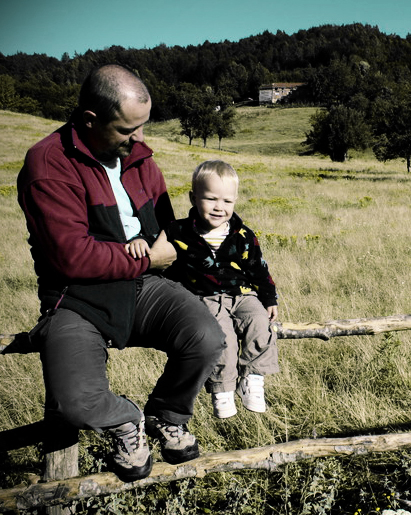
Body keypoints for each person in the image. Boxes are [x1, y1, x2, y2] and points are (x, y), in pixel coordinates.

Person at [17, 64, 225, 482]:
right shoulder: (48, 164)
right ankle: (126, 419)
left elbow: (166, 231)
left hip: (145, 285)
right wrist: (148, 260)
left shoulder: (139, 157)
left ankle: (166, 415)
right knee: (76, 403)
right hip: (76, 296)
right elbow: (72, 258)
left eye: (143, 125)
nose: (139, 138)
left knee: (206, 338)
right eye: (128, 129)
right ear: (90, 120)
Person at [159, 160, 279, 419]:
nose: (219, 207)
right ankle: (222, 388)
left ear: (235, 201)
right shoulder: (178, 231)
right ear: (193, 197)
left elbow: (258, 268)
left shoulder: (243, 235)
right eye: (211, 199)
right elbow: (162, 261)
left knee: (260, 322)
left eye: (227, 201)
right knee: (221, 336)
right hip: (205, 298)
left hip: (243, 295)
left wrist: (269, 298)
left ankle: (253, 378)